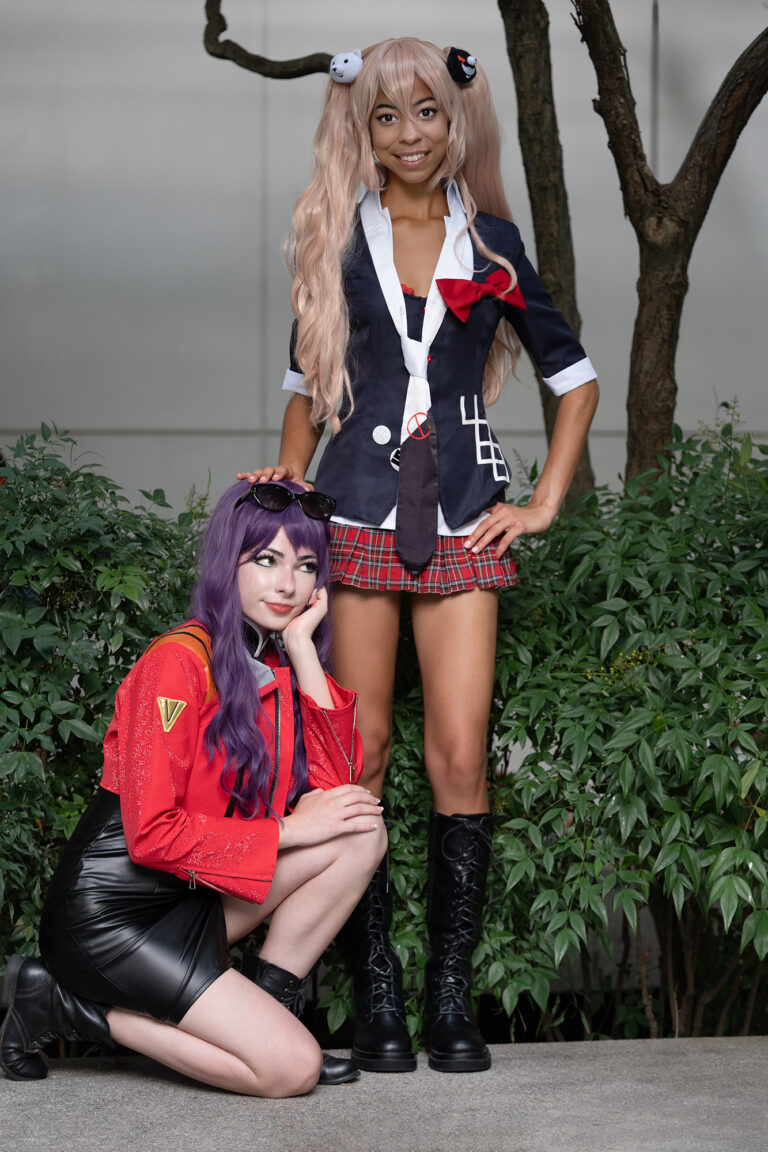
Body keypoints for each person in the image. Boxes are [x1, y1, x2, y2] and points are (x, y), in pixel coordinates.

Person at [240, 37, 599, 1074]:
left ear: (456, 121)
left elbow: (574, 379)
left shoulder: (493, 243)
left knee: (460, 758)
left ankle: (449, 999)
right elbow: (306, 394)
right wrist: (284, 504)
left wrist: (542, 502)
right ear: (364, 126)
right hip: (352, 516)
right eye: (388, 115)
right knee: (359, 757)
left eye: (428, 113)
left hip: (463, 516)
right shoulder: (334, 235)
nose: (409, 135)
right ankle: (377, 997)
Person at [0, 480, 387, 1095]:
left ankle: (268, 1013)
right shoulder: (178, 663)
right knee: (292, 1071)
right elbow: (151, 836)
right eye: (267, 560)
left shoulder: (277, 661)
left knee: (360, 830)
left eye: (306, 565)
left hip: (194, 897)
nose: (288, 584)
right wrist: (290, 829)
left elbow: (338, 791)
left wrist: (302, 649)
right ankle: (64, 1004)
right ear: (227, 562)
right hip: (114, 918)